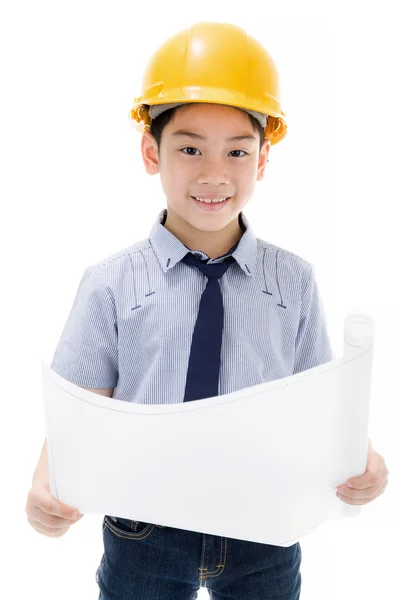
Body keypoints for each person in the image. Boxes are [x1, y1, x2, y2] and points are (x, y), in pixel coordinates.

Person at [26, 21, 335, 600]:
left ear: (263, 159)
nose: (214, 173)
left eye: (237, 151)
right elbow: (81, 405)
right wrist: (48, 480)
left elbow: (319, 402)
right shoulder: (112, 283)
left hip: (263, 526)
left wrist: (358, 459)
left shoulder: (293, 282)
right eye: (189, 148)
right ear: (152, 151)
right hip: (144, 527)